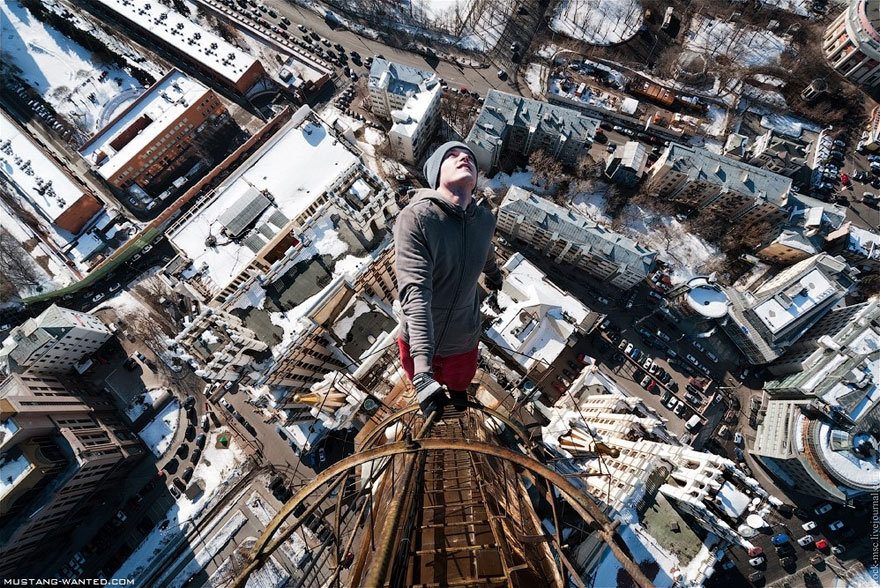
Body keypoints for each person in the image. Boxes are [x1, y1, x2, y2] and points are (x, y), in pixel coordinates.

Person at [394, 141, 503, 419]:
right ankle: (434, 400)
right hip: (417, 341)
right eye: (452, 155)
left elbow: (485, 250)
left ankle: (457, 402)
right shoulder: (417, 218)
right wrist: (422, 371)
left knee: (459, 388)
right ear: (435, 173)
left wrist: (493, 274)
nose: (463, 158)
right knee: (431, 403)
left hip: (463, 338)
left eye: (469, 157)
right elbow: (416, 293)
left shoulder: (485, 221)